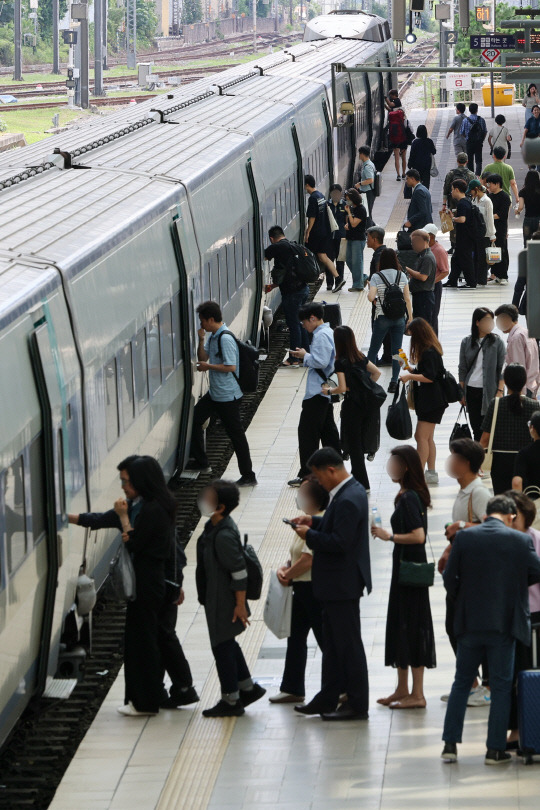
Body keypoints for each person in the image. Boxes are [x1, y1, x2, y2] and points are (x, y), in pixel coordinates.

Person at [69, 456, 177, 716]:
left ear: (141, 481)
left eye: (126, 481)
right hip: (142, 582)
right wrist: (66, 518)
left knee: (144, 642)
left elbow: (134, 543)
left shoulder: (155, 509)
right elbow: (101, 519)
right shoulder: (139, 504)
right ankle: (141, 698)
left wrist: (124, 519)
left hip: (149, 582)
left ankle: (146, 703)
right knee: (137, 641)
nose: (123, 486)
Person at [441, 493, 540, 766]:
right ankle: (494, 749)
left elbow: (449, 578)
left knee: (461, 683)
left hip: (470, 623)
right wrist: (515, 584)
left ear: (485, 516)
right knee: (500, 687)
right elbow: (537, 571)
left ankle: (450, 744)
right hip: (504, 624)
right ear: (510, 517)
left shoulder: (464, 538)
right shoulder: (520, 540)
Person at [292, 447, 372, 721]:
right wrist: (313, 520)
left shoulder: (348, 498)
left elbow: (341, 542)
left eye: (318, 477)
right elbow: (338, 524)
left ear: (331, 470)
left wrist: (310, 534)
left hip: (342, 583)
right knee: (334, 643)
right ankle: (327, 697)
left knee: (348, 645)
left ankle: (358, 704)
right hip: (336, 584)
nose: (319, 484)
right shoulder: (350, 492)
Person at [371, 445, 436, 709]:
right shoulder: (407, 494)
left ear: (406, 467)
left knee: (412, 624)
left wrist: (391, 536)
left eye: (395, 463)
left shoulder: (409, 498)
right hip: (405, 567)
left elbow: (418, 536)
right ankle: (402, 688)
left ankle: (417, 694)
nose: (391, 468)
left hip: (410, 568)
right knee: (402, 623)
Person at [195, 479, 265, 717]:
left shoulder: (223, 535)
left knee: (221, 647)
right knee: (227, 643)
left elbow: (239, 572)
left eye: (209, 497)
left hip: (224, 599)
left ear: (221, 507)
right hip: (216, 596)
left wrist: (239, 605)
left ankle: (231, 701)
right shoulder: (215, 526)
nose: (203, 499)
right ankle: (248, 688)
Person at [438, 439, 493, 707]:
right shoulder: (463, 491)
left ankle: (486, 686)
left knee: (467, 629)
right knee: (455, 628)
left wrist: (460, 525)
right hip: (460, 572)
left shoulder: (478, 493)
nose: (450, 463)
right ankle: (469, 683)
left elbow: (492, 528)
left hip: (476, 576)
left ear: (467, 464)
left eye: (454, 458)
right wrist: (449, 550)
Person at [269, 476, 329, 704]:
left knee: (325, 640)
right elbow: (297, 556)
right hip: (301, 590)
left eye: (303, 493)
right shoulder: (308, 521)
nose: (298, 497)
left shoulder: (318, 523)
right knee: (295, 638)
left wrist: (287, 574)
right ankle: (292, 688)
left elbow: (308, 560)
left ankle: (339, 686)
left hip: (314, 589)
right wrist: (286, 567)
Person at [185, 301, 257, 487]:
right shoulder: (213, 336)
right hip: (216, 394)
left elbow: (230, 366)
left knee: (236, 435)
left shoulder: (225, 338)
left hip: (228, 396)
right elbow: (203, 358)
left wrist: (208, 367)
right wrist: (201, 340)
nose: (201, 325)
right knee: (194, 420)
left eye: (202, 321)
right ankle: (202, 462)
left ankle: (249, 475)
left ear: (211, 319)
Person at [323, 325, 381, 491]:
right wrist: (365, 388)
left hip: (352, 407)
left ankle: (363, 483)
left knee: (354, 446)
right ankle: (359, 480)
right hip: (367, 405)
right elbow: (376, 373)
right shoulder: (360, 357)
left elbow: (341, 388)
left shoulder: (340, 362)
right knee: (360, 443)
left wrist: (329, 390)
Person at [288, 302, 341, 487]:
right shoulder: (326, 333)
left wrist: (305, 355)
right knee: (329, 434)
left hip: (317, 392)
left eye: (304, 322)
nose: (303, 326)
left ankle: (308, 475)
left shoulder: (321, 336)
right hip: (322, 392)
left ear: (313, 318)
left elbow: (321, 361)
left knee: (307, 434)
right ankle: (336, 468)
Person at [505, 490, 540, 748]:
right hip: (509, 616)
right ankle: (516, 730)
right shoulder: (500, 541)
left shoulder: (536, 540)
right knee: (514, 675)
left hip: (535, 614)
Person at [399, 318, 448, 485]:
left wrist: (410, 376)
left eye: (412, 335)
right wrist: (408, 368)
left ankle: (418, 474)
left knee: (420, 436)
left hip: (431, 400)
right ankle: (431, 473)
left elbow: (430, 377)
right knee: (427, 438)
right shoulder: (430, 349)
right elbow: (426, 372)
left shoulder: (428, 352)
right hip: (431, 400)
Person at [480, 363, 540, 495]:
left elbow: (485, 438)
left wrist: (476, 462)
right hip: (529, 460)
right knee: (527, 501)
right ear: (524, 381)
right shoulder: (534, 405)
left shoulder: (496, 404)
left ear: (505, 382)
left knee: (503, 502)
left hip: (500, 461)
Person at [367, 247, 412, 394]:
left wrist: (372, 291)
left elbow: (370, 297)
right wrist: (410, 317)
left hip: (382, 317)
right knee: (397, 350)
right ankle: (394, 382)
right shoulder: (402, 275)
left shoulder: (376, 276)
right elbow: (407, 298)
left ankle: (369, 380)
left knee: (373, 349)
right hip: (399, 318)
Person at [265, 225, 310, 368]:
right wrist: (273, 286)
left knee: (294, 324)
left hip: (292, 294)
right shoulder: (293, 246)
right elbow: (287, 273)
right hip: (303, 289)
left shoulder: (276, 247)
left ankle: (294, 358)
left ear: (272, 239)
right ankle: (305, 354)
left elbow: (265, 256)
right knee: (301, 323)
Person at [458, 307, 505, 442]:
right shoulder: (466, 342)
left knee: (490, 428)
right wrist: (461, 392)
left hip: (491, 391)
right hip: (472, 389)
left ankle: (487, 460)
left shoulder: (497, 342)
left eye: (492, 321)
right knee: (476, 427)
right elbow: (462, 368)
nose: (490, 324)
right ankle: (478, 459)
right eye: (487, 320)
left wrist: (500, 390)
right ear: (477, 322)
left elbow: (502, 368)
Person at [495, 304, 540, 397]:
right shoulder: (526, 332)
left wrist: (519, 394)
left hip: (522, 390)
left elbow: (518, 368)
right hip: (531, 385)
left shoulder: (516, 338)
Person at [304, 174, 339, 282]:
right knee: (322, 256)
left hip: (316, 233)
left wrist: (307, 232)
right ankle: (338, 278)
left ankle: (311, 277)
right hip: (324, 231)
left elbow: (312, 217)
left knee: (307, 254)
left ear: (307, 185)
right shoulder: (321, 196)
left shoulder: (313, 198)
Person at [443, 180, 477, 288]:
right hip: (465, 236)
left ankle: (471, 282)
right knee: (456, 259)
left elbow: (462, 219)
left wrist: (452, 218)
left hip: (465, 237)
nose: (451, 192)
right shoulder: (466, 201)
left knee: (466, 259)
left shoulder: (462, 203)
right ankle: (452, 280)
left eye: (452, 190)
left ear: (457, 190)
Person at [441, 153, 476, 255]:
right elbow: (473, 190)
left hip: (452, 203)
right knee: (464, 222)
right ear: (467, 161)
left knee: (452, 223)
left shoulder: (451, 174)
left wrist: (444, 204)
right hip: (466, 202)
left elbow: (445, 189)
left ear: (457, 161)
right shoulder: (471, 174)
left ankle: (453, 245)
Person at [467, 179, 496, 287]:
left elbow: (489, 219)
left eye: (471, 191)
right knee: (476, 257)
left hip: (485, 234)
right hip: (476, 233)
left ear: (476, 189)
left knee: (483, 258)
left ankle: (482, 279)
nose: (470, 193)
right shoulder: (474, 200)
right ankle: (477, 278)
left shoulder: (487, 201)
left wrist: (492, 235)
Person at [422, 224, 449, 336]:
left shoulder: (439, 251)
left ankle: (433, 343)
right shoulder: (425, 248)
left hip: (434, 288)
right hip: (425, 287)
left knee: (432, 317)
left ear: (430, 236)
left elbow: (445, 271)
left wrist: (432, 282)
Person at [405, 229, 437, 324]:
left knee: (423, 325)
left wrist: (408, 269)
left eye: (414, 242)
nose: (413, 245)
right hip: (419, 295)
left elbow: (423, 277)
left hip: (424, 297)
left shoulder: (427, 257)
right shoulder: (421, 255)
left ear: (424, 242)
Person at [485, 174, 511, 284]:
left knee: (502, 251)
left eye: (490, 184)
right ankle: (495, 273)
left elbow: (502, 214)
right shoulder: (489, 197)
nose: (488, 186)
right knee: (492, 251)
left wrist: (488, 216)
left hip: (500, 229)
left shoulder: (505, 197)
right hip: (491, 228)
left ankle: (503, 275)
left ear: (497, 184)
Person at [344, 187, 368, 292]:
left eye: (348, 199)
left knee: (357, 262)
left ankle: (358, 284)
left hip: (358, 239)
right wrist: (346, 224)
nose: (347, 201)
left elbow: (354, 224)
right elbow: (350, 222)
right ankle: (362, 277)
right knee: (349, 260)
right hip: (350, 237)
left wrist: (348, 212)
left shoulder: (361, 209)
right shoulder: (352, 208)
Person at [512, 411, 540, 499]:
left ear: (532, 428)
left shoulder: (524, 453)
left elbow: (517, 482)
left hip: (533, 500)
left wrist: (519, 505)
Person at [326, 185, 347, 293]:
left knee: (340, 260)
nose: (335, 195)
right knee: (329, 259)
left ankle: (339, 281)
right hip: (329, 237)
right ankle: (329, 283)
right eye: (333, 193)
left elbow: (347, 220)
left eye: (337, 193)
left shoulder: (344, 205)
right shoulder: (326, 205)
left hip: (340, 236)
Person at [461, 102, 487, 176]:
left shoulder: (465, 120)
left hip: (469, 142)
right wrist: (482, 139)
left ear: (469, 110)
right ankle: (478, 175)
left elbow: (462, 132)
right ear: (477, 110)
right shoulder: (481, 120)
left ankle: (471, 175)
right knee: (479, 160)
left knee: (469, 160)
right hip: (479, 142)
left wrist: (467, 137)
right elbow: (484, 131)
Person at [515, 169, 540, 248]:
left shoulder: (523, 191)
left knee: (526, 244)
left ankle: (527, 259)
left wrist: (517, 211)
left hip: (528, 221)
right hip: (539, 220)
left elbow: (521, 206)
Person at [407, 125, 437, 189]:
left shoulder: (415, 142)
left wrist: (409, 164)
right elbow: (434, 152)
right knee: (426, 182)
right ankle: (425, 194)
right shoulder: (429, 141)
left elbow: (412, 154)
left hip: (416, 166)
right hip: (426, 165)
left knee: (417, 182)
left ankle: (418, 193)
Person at [388, 99, 409, 181]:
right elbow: (410, 130)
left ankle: (398, 175)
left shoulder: (393, 120)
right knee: (403, 157)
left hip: (395, 140)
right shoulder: (405, 121)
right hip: (403, 140)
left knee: (396, 157)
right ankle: (404, 174)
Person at [355, 145, 376, 217]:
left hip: (368, 192)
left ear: (362, 154)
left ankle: (371, 227)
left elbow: (370, 180)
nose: (359, 155)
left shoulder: (367, 166)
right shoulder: (369, 164)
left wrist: (360, 184)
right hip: (367, 191)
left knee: (367, 213)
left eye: (359, 154)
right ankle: (372, 227)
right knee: (367, 212)